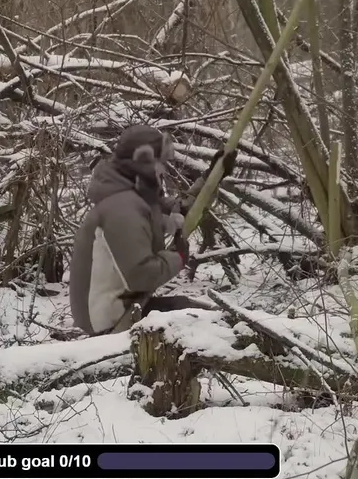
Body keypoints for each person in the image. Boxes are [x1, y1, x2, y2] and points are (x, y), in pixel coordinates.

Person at [68, 124, 236, 336]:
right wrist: (178, 256)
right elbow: (141, 275)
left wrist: (211, 178)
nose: (163, 170)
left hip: (125, 308)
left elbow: (183, 210)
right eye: (159, 163)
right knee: (205, 324)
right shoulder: (122, 208)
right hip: (112, 323)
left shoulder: (135, 199)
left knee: (204, 316)